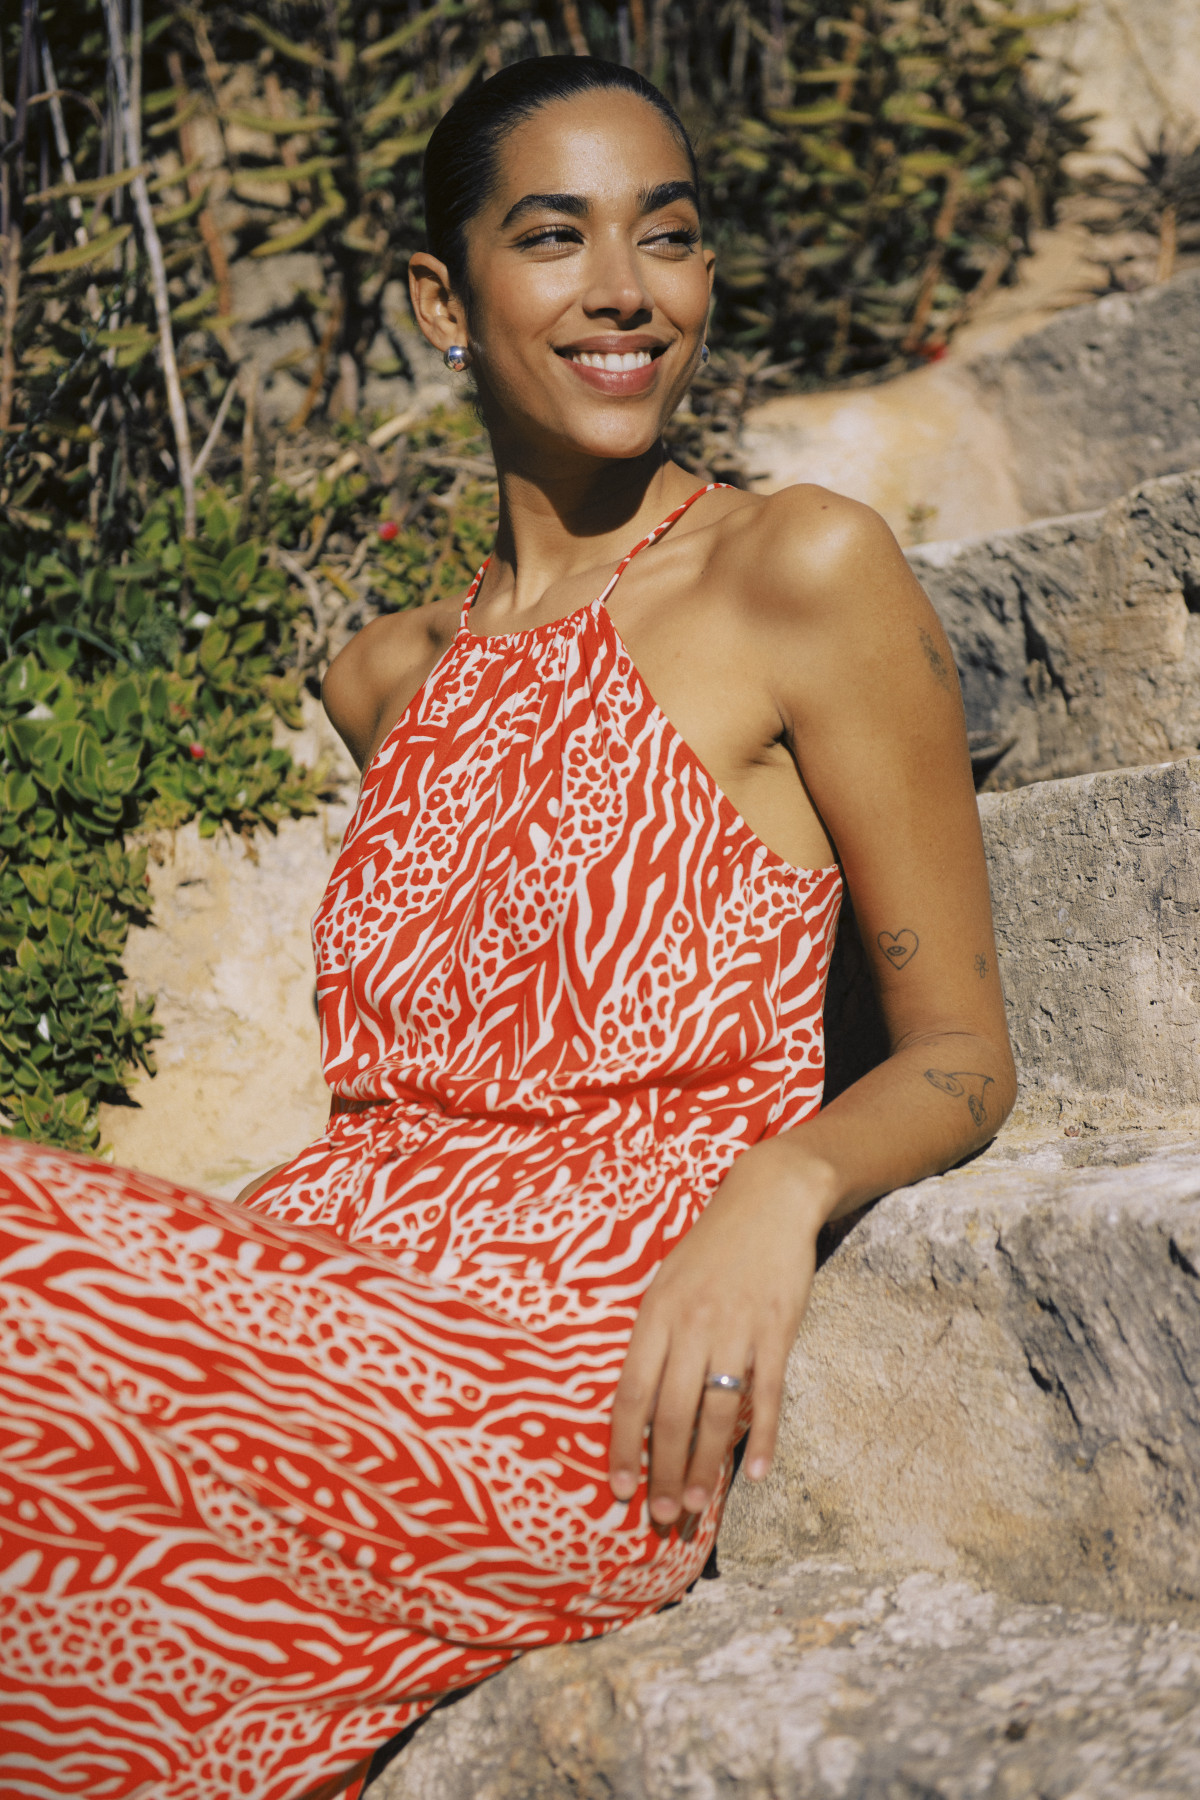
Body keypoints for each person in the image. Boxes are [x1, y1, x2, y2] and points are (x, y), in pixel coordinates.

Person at [0, 53, 1015, 1800]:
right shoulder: (387, 677)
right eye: (554, 237)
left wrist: (777, 1184)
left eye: (666, 237)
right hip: (316, 1307)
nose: (625, 288)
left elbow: (965, 1056)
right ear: (438, 299)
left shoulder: (799, 572)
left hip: (562, 1380)